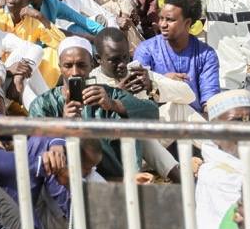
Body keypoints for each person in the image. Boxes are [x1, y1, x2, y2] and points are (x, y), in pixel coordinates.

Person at [28, 37, 158, 179]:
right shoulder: (43, 103)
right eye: (68, 65)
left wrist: (113, 105)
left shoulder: (108, 93)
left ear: (92, 65)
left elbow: (152, 112)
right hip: (68, 176)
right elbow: (37, 143)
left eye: (81, 65)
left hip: (115, 174)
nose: (75, 72)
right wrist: (64, 125)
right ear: (60, 67)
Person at [132, 0, 220, 113]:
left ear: (187, 23)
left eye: (170, 20)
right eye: (161, 18)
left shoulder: (206, 55)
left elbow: (209, 100)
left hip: (194, 123)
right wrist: (162, 81)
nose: (162, 24)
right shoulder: (146, 50)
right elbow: (139, 96)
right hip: (158, 122)